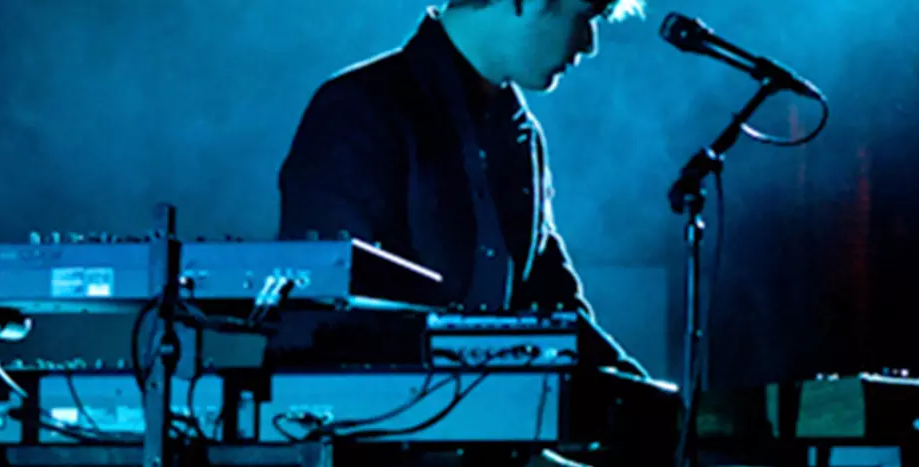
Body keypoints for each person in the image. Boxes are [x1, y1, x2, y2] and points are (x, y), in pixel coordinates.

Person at [276, 0, 676, 465]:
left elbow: (551, 300)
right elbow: (331, 326)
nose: (589, 43)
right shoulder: (360, 107)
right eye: (584, 16)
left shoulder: (521, 134)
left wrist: (649, 401)